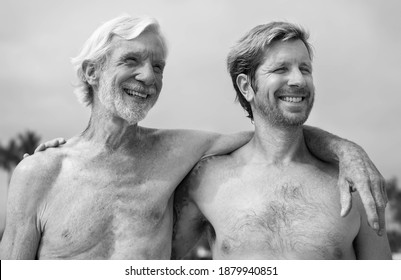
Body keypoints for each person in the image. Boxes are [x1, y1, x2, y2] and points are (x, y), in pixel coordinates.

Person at [0, 15, 386, 260]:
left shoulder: (177, 152)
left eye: (158, 66)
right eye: (131, 60)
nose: (148, 76)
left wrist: (345, 149)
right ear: (91, 72)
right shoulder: (39, 173)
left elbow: (271, 131)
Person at [172, 22, 392, 259]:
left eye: (305, 69)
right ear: (246, 86)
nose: (298, 80)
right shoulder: (206, 180)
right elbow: (153, 260)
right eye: (281, 69)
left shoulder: (352, 183)